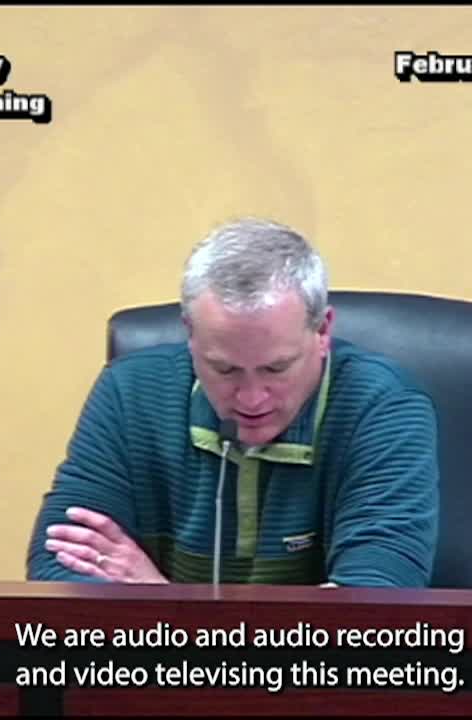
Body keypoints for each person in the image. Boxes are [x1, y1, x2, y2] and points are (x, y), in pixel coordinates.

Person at [25, 218, 439, 586]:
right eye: (224, 369)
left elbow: (373, 606)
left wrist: (163, 602)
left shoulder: (383, 408)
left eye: (276, 368)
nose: (251, 398)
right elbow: (59, 564)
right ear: (190, 333)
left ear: (323, 331)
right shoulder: (129, 392)